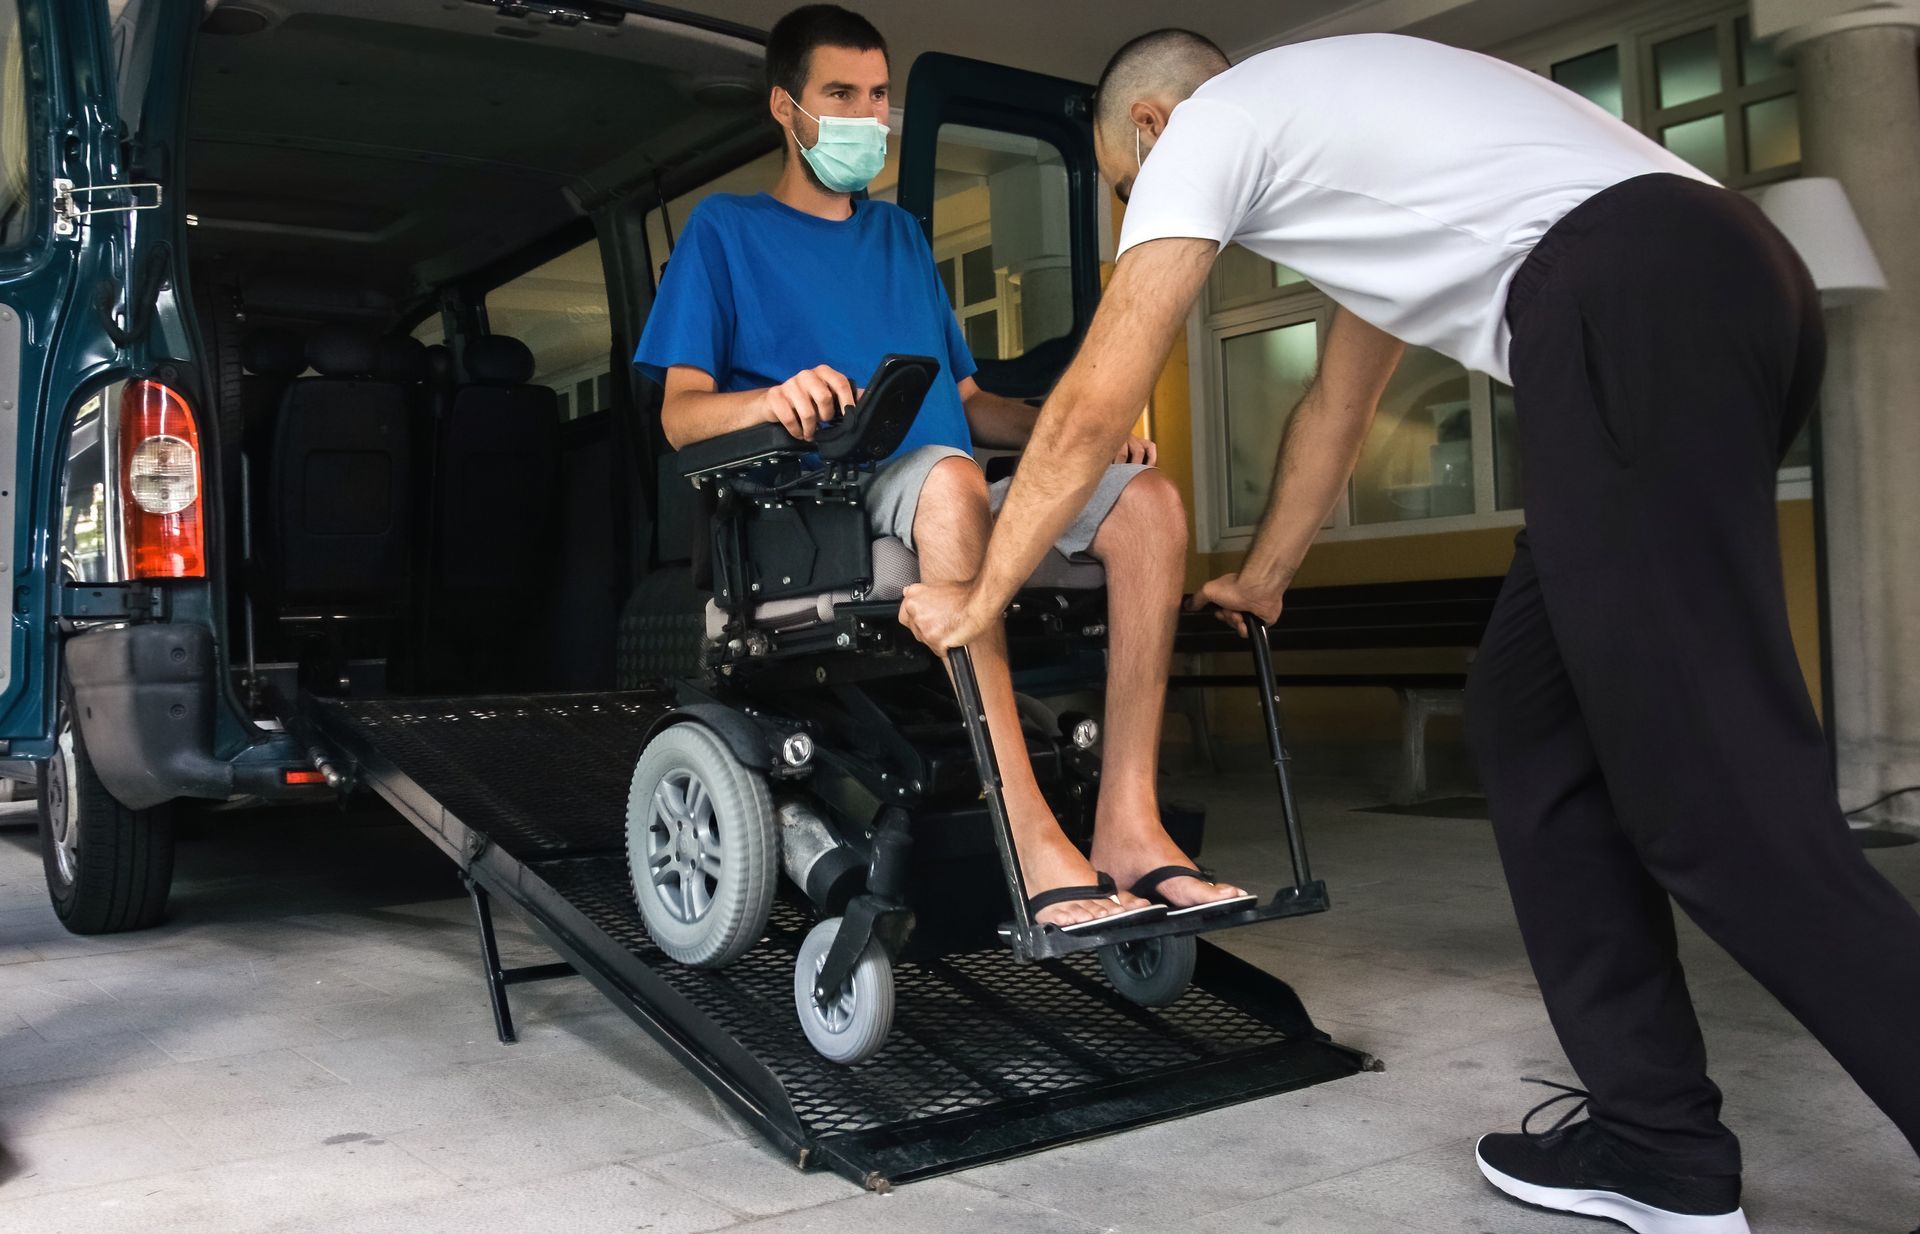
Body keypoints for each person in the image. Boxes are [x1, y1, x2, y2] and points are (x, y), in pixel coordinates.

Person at [898, 27, 1920, 1234]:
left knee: (1716, 796)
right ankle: (1657, 1143)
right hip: (1725, 287)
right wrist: (1266, 575)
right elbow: (1340, 402)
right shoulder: (1344, 147)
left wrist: (981, 594)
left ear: (1148, 129)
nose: (1143, 212)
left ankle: (1676, 1137)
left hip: (1634, 301)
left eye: (1129, 189)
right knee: (1531, 725)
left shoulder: (1210, 127)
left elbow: (1092, 403)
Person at [633, 6, 1254, 935]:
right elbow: (681, 414)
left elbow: (969, 405)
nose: (866, 117)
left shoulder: (900, 237)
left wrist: (1071, 432)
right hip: (826, 506)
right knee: (950, 479)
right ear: (786, 108)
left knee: (1148, 505)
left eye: (876, 95)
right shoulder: (725, 232)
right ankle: (1029, 833)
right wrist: (769, 400)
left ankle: (1129, 824)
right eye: (841, 94)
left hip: (943, 481)